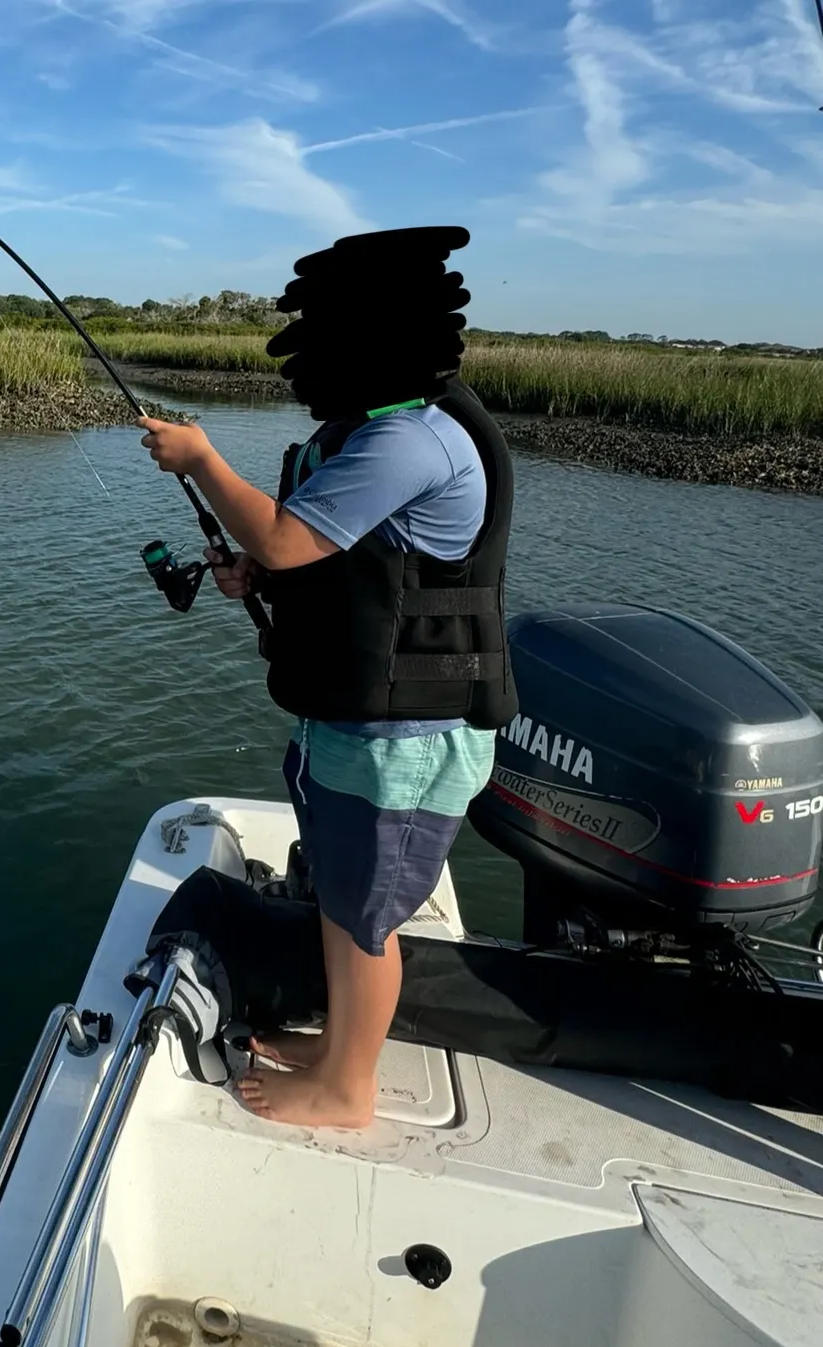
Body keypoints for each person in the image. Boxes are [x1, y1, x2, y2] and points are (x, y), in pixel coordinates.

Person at [137, 226, 516, 1130]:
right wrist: (256, 579)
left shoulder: (413, 440)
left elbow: (279, 532)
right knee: (343, 903)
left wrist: (202, 461)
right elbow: (312, 554)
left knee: (361, 920)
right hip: (355, 726)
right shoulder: (375, 432)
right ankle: (342, 1044)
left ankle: (348, 1089)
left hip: (405, 742)